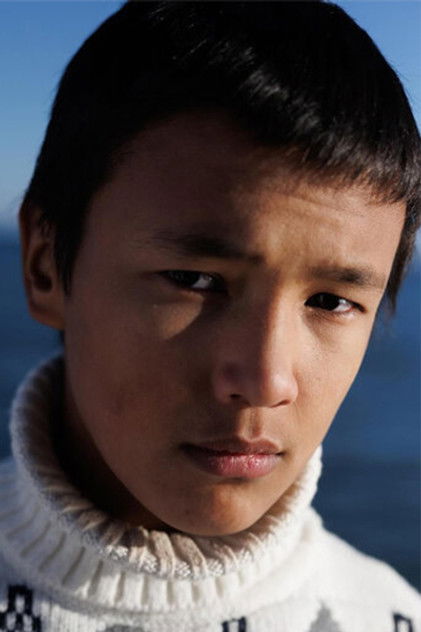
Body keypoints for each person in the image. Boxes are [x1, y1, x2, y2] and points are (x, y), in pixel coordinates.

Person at [0, 2, 419, 631]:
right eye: (195, 281)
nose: (265, 381)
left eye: (331, 302)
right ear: (44, 266)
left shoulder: (388, 617)